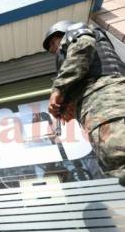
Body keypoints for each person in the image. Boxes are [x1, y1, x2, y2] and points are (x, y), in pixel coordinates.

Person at [43, 20, 125, 185]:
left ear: (63, 32)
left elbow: (81, 53)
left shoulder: (76, 31)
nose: (53, 50)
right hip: (104, 103)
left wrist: (58, 89)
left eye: (53, 43)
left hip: (107, 100)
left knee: (119, 156)